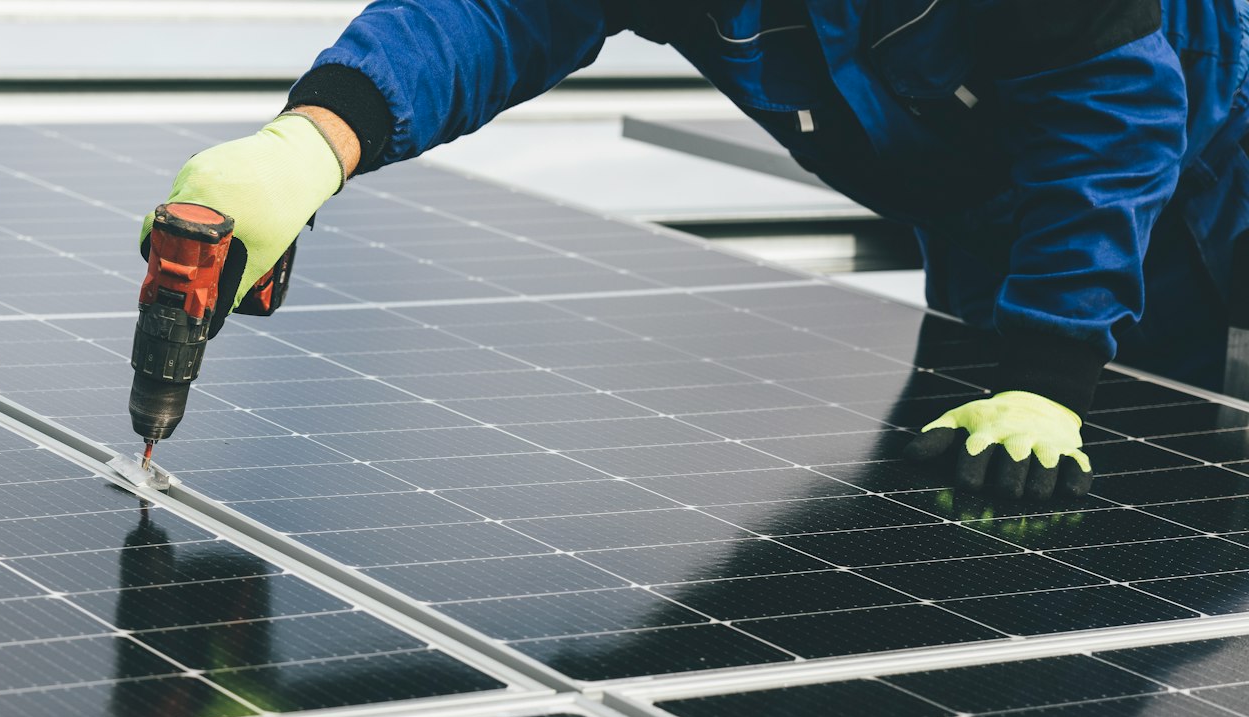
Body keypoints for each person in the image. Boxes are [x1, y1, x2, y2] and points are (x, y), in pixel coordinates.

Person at [145, 0, 1249, 502]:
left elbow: (1111, 116)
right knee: (964, 492)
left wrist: (1050, 372)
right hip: (982, 203)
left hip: (1200, 159)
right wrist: (315, 139)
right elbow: (492, 14)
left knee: (1130, 485)